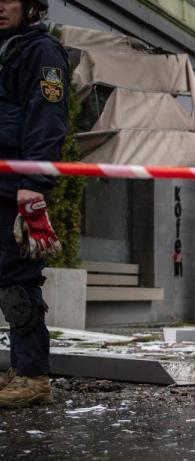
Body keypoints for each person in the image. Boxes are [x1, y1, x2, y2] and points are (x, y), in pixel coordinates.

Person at [0, 0, 68, 409]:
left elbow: (47, 119)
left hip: (15, 187)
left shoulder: (40, 51)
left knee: (16, 278)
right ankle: (20, 367)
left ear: (29, 7)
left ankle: (33, 377)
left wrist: (33, 183)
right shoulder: (6, 49)